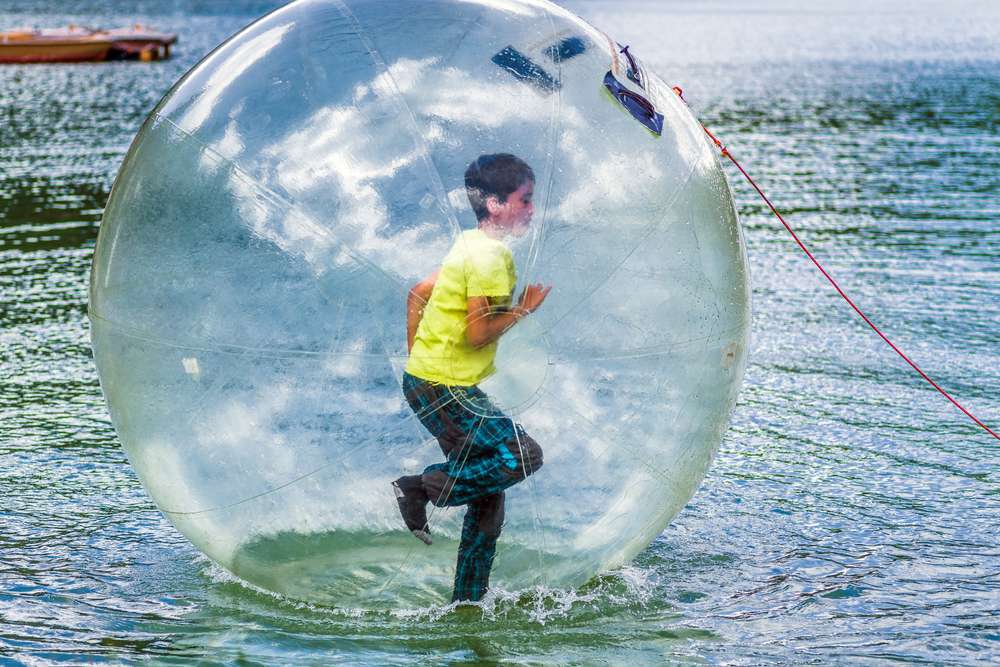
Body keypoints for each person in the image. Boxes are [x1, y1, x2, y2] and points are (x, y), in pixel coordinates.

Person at [393, 153, 550, 603]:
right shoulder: (490, 255)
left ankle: (468, 600)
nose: (532, 209)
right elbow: (478, 333)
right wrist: (524, 308)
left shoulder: (469, 243)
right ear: (497, 204)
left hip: (432, 382)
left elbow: (418, 293)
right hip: (445, 388)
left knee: (490, 493)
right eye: (525, 199)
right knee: (523, 453)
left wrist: (420, 361)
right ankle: (420, 488)